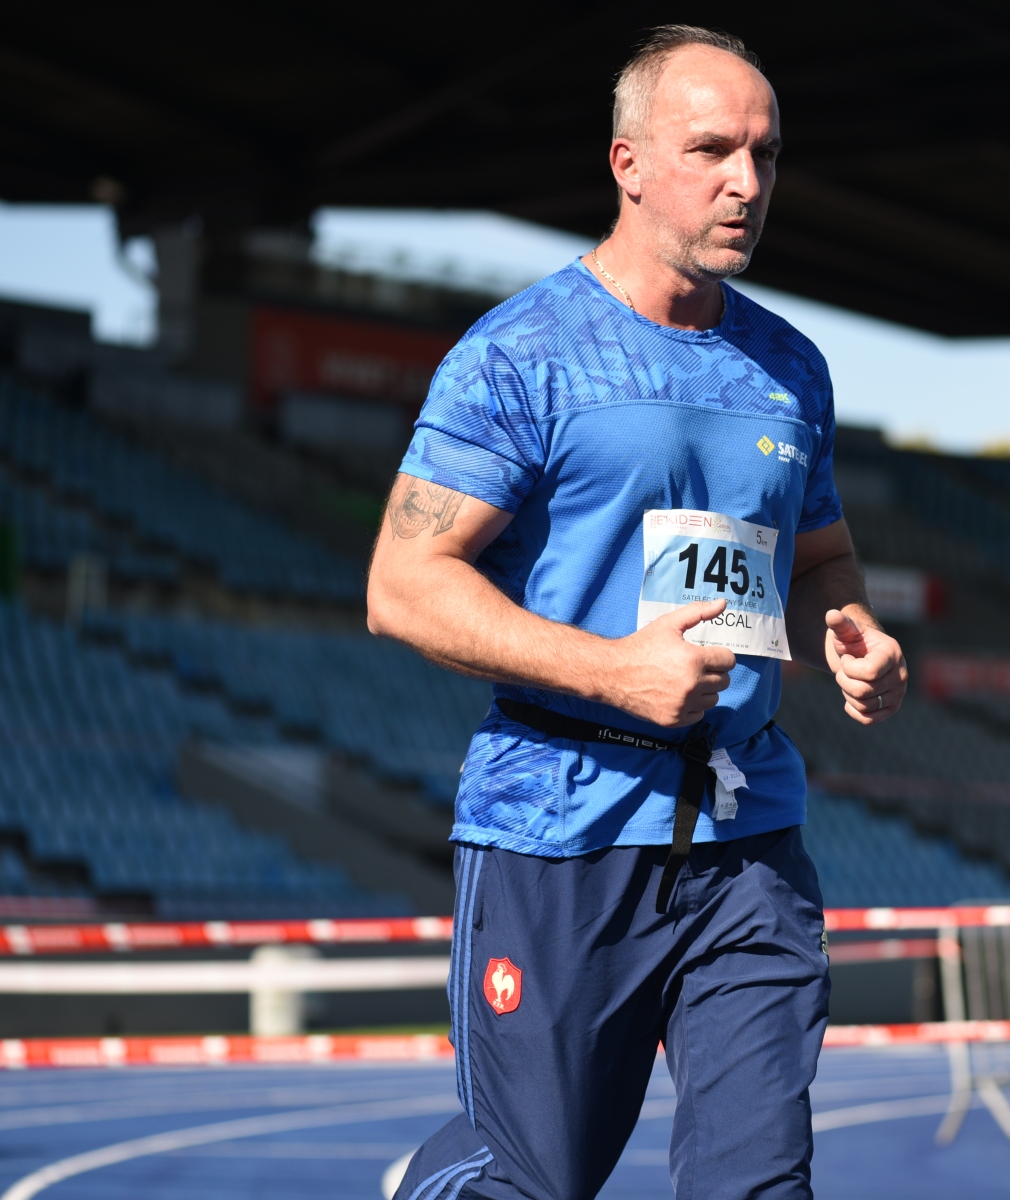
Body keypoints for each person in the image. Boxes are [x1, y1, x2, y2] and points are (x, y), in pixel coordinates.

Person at [368, 24, 908, 1200]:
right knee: (528, 1180)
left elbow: (821, 558)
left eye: (765, 154)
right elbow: (403, 586)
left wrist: (850, 629)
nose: (746, 183)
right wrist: (613, 672)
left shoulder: (791, 369)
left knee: (759, 1185)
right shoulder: (519, 356)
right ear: (628, 164)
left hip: (747, 835)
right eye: (712, 150)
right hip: (560, 830)